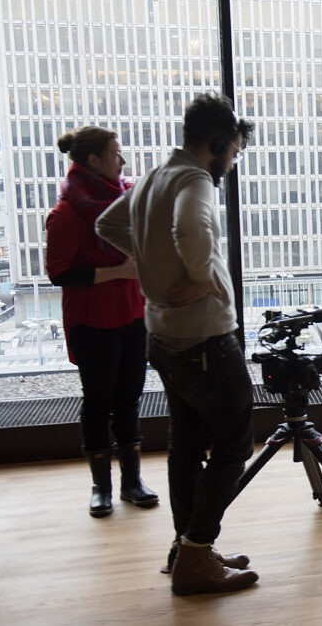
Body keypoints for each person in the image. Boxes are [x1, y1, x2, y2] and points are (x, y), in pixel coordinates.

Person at [96, 93, 258, 595]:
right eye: (232, 151)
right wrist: (202, 275)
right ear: (216, 143)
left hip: (163, 335)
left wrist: (153, 264)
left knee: (186, 446)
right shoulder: (193, 179)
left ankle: (188, 548)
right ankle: (194, 556)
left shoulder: (151, 177)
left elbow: (109, 224)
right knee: (233, 445)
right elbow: (191, 224)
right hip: (205, 336)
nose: (231, 161)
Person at [45, 126, 158, 518]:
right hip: (93, 321)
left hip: (132, 314)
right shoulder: (66, 213)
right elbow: (59, 273)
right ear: (93, 161)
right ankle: (101, 487)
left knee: (129, 397)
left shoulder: (125, 200)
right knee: (98, 402)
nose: (122, 160)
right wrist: (122, 272)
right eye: (115, 153)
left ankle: (132, 482)